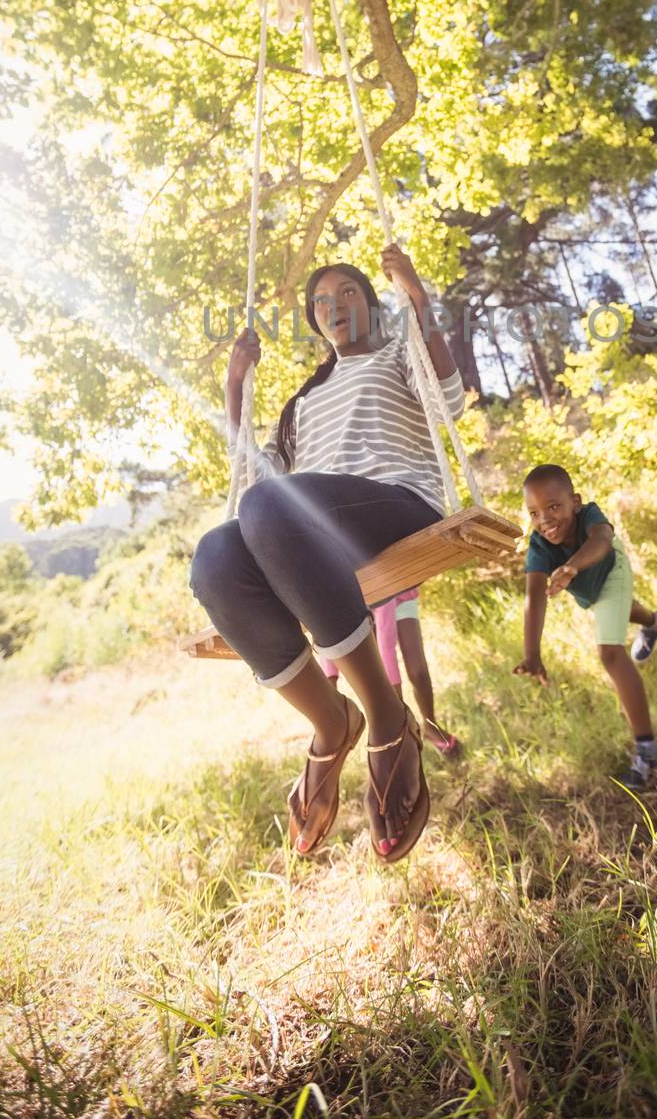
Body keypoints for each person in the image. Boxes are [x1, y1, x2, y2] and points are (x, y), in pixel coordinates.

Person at [189, 246, 467, 862]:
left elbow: (447, 403)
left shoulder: (398, 353)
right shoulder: (302, 402)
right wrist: (235, 382)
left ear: (371, 306)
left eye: (348, 294)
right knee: (215, 558)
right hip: (311, 521)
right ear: (315, 323)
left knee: (272, 508)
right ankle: (331, 723)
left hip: (397, 504)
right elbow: (252, 473)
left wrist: (416, 298)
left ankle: (388, 720)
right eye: (321, 301)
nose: (333, 305)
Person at [512, 463, 657, 791]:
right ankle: (654, 622)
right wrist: (532, 653)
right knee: (617, 609)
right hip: (587, 586)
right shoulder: (540, 546)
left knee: (610, 653)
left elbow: (602, 541)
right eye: (534, 513)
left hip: (610, 569)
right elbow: (534, 596)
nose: (545, 520)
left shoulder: (590, 516)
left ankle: (647, 751)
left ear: (575, 502)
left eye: (553, 507)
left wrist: (571, 566)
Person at [320, 588, 462, 758]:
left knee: (419, 673)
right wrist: (330, 680)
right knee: (377, 675)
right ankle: (398, 736)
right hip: (363, 604)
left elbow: (387, 645)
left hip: (397, 592)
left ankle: (430, 726)